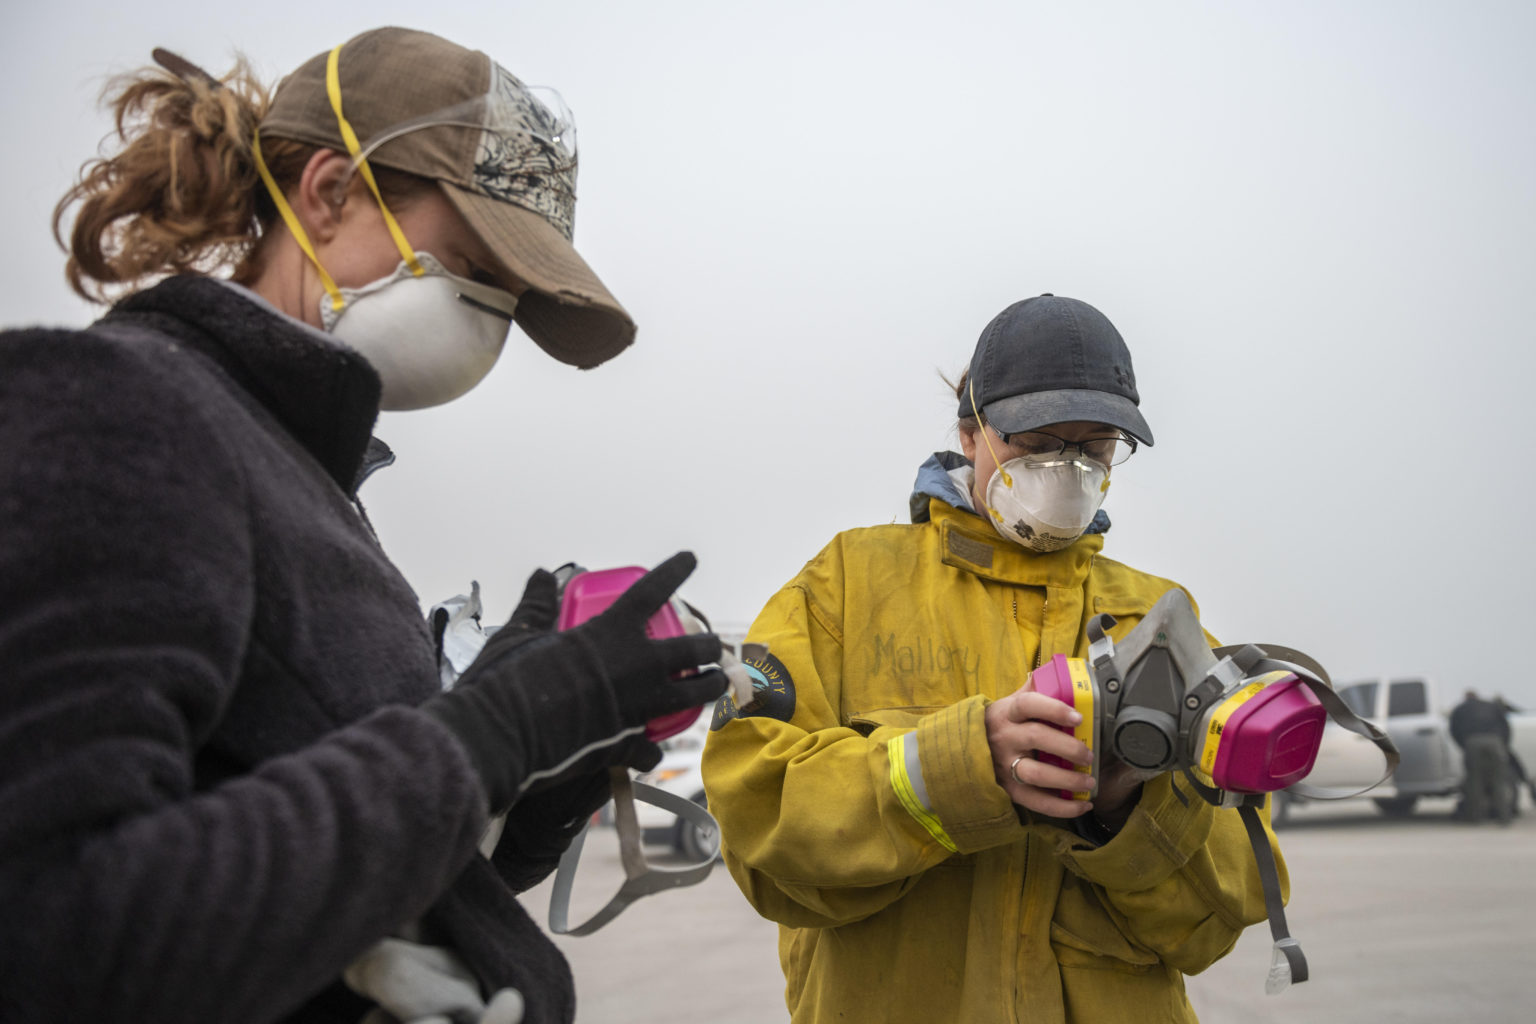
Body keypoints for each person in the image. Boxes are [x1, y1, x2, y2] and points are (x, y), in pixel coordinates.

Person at [0, 27, 726, 1024]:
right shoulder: (117, 409)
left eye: (508, 295)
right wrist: (490, 733)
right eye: (469, 262)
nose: (489, 317)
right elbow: (53, 929)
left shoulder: (307, 480)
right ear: (330, 191)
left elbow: (334, 897)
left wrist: (531, 783)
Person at [702, 295, 1286, 1023]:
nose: (1066, 469)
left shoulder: (1160, 621)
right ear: (969, 431)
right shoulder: (844, 586)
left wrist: (1125, 810)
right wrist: (965, 770)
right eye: (1036, 441)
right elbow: (758, 825)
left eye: (1095, 447)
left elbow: (1219, 917)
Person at [1449, 689, 1514, 823]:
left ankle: (1476, 817)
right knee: (1499, 780)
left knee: (1475, 781)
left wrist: (1464, 745)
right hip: (1495, 742)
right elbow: (1505, 726)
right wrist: (1503, 745)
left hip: (1472, 743)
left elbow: (1454, 730)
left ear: (1466, 698)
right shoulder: (1491, 706)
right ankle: (1504, 817)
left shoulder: (1460, 709)